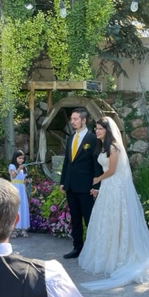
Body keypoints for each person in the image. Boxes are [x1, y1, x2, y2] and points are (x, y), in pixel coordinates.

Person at [78, 117, 149, 290]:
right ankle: (107, 255)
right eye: (96, 128)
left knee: (117, 218)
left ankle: (119, 255)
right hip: (108, 187)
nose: (97, 131)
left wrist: (97, 179)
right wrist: (100, 186)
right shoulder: (103, 147)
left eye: (100, 129)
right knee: (107, 219)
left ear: (108, 131)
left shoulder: (114, 147)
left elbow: (111, 170)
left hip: (115, 186)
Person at [59, 108, 103, 259]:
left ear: (84, 120)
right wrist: (63, 182)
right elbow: (67, 162)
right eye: (71, 119)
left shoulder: (93, 139)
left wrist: (96, 186)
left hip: (86, 187)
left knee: (89, 219)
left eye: (75, 119)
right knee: (75, 219)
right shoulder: (71, 138)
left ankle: (92, 250)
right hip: (71, 186)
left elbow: (96, 164)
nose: (72, 122)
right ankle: (77, 248)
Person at [8, 150, 31, 238]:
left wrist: (28, 181)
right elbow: (13, 176)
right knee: (15, 208)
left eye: (22, 158)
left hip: (22, 189)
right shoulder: (12, 166)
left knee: (23, 207)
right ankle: (14, 230)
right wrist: (19, 168)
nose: (21, 160)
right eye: (19, 158)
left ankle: (23, 229)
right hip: (14, 188)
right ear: (15, 158)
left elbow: (23, 180)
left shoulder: (24, 168)